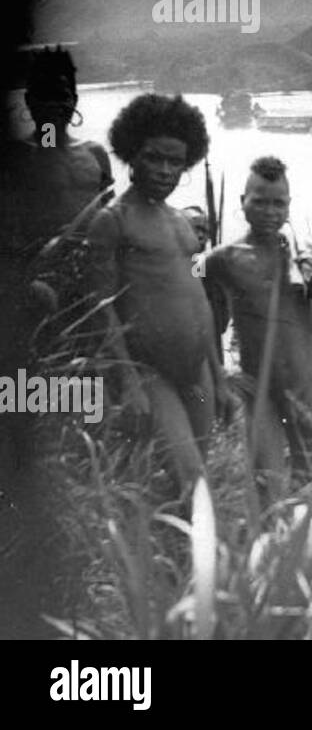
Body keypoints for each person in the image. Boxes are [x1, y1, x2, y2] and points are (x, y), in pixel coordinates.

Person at [83, 94, 233, 497]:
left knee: (191, 481)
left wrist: (219, 378)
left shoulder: (183, 224)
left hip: (197, 373)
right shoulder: (113, 221)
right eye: (155, 158)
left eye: (176, 162)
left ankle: (175, 551)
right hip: (152, 373)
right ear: (132, 154)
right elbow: (102, 309)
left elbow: (199, 305)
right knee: (192, 479)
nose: (166, 170)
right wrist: (128, 381)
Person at [203, 156, 312, 501]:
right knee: (268, 483)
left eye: (278, 203)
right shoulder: (223, 259)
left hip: (306, 384)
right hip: (257, 389)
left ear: (289, 206)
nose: (270, 211)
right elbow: (201, 317)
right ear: (243, 203)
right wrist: (219, 373)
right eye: (260, 202)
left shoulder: (304, 254)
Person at [1, 46, 114, 320]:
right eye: (45, 95)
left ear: (74, 99)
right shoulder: (15, 156)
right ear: (29, 101)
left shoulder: (95, 154)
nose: (54, 105)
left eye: (61, 96)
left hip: (89, 280)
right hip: (33, 284)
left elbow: (110, 218)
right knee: (27, 362)